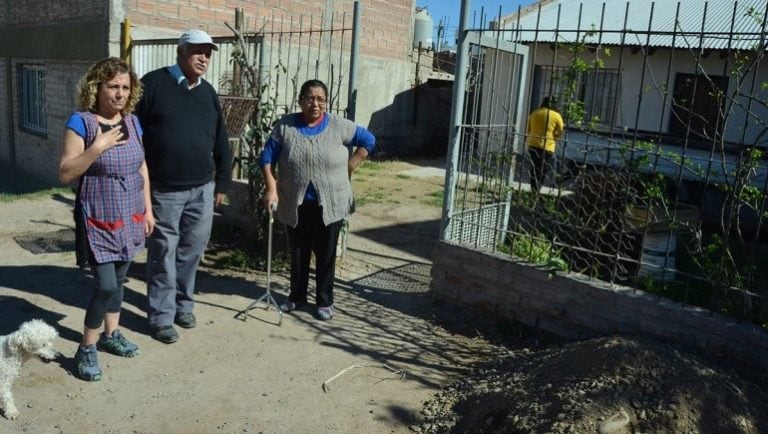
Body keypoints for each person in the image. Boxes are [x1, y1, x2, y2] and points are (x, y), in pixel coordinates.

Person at [58, 57, 154, 381]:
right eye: (113, 86)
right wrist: (96, 147)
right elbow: (65, 172)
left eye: (125, 87)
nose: (120, 93)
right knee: (106, 285)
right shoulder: (81, 123)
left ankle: (112, 335)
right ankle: (87, 346)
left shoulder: (133, 122)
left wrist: (149, 209)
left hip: (130, 214)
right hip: (98, 216)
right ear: (96, 87)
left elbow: (141, 167)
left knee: (121, 280)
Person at [136, 29, 232, 344]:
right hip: (164, 190)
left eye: (208, 52)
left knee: (192, 251)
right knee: (163, 252)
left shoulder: (208, 93)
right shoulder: (153, 84)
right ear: (181, 52)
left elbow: (220, 140)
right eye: (197, 51)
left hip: (202, 189)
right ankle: (161, 317)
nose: (204, 58)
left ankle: (182, 304)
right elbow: (132, 133)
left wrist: (222, 181)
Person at [260, 79, 376, 321]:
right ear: (301, 100)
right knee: (298, 251)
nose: (315, 104)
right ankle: (297, 296)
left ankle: (324, 301)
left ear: (326, 102)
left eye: (321, 99)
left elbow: (369, 140)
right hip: (295, 201)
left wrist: (351, 165)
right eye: (310, 98)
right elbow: (267, 157)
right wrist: (271, 187)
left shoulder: (338, 125)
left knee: (326, 253)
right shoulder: (286, 126)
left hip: (331, 202)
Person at [526, 96, 564, 192]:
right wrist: (554, 138)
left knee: (534, 166)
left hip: (532, 144)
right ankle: (537, 189)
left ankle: (533, 187)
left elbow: (528, 129)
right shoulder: (556, 116)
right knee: (543, 168)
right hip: (547, 146)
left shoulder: (535, 113)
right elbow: (560, 131)